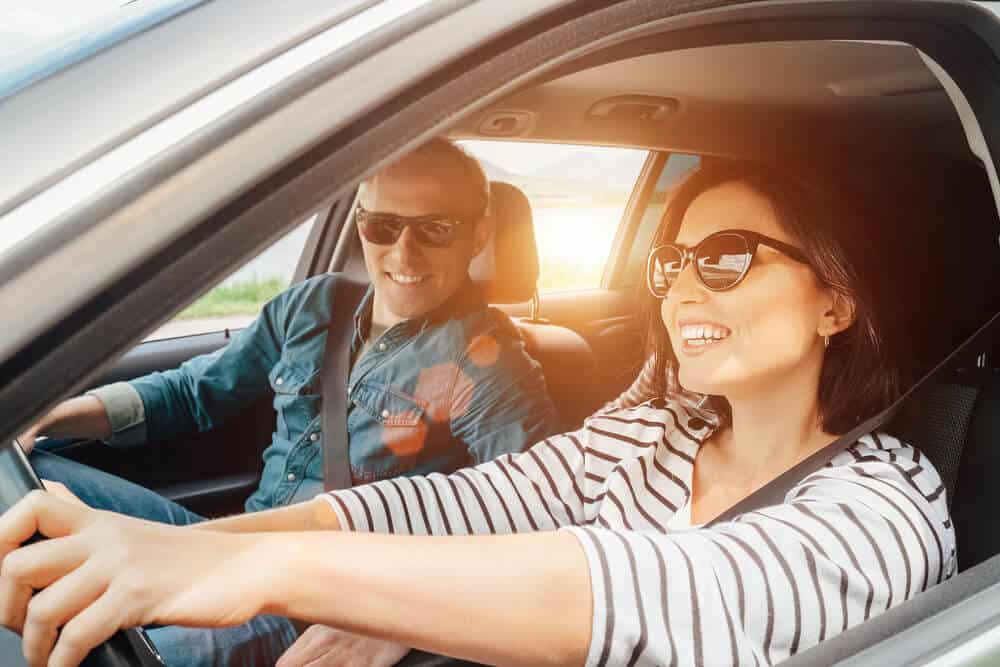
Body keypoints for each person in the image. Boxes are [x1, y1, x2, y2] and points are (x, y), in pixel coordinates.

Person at [0, 161, 955, 667]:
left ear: (837, 299)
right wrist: (200, 551)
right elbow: (469, 501)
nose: (682, 294)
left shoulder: (889, 512)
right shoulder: (659, 424)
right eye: (672, 262)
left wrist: (272, 570)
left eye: (730, 257)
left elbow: (650, 589)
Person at [12, 137, 561, 666]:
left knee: (101, 654)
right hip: (230, 540)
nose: (403, 251)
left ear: (479, 234)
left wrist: (400, 621)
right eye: (382, 226)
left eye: (436, 229)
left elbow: (537, 521)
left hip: (319, 600)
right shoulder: (314, 306)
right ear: (360, 223)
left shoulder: (490, 365)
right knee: (19, 472)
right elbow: (195, 390)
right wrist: (57, 414)